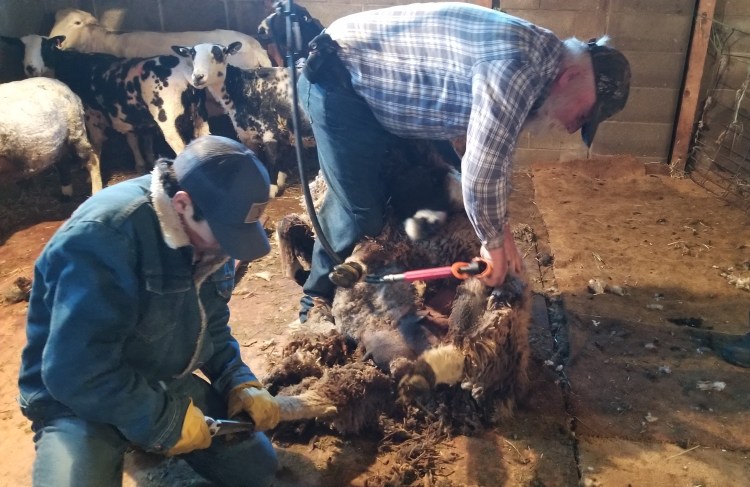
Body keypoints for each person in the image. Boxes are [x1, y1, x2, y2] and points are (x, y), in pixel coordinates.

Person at [295, 2, 631, 324]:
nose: (572, 128)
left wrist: (502, 233)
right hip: (340, 81)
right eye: (583, 115)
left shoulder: (541, 66)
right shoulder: (518, 69)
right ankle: (315, 298)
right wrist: (494, 245)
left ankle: (396, 273)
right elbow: (483, 171)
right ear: (570, 77)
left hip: (393, 95)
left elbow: (497, 157)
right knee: (361, 213)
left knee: (433, 190)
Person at [18, 135, 282, 487]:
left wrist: (236, 378)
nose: (228, 248)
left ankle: (143, 427)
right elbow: (73, 370)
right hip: (79, 396)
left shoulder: (210, 238)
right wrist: (162, 420)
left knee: (256, 468)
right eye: (223, 233)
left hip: (160, 376)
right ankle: (110, 435)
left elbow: (212, 322)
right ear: (183, 203)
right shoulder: (104, 236)